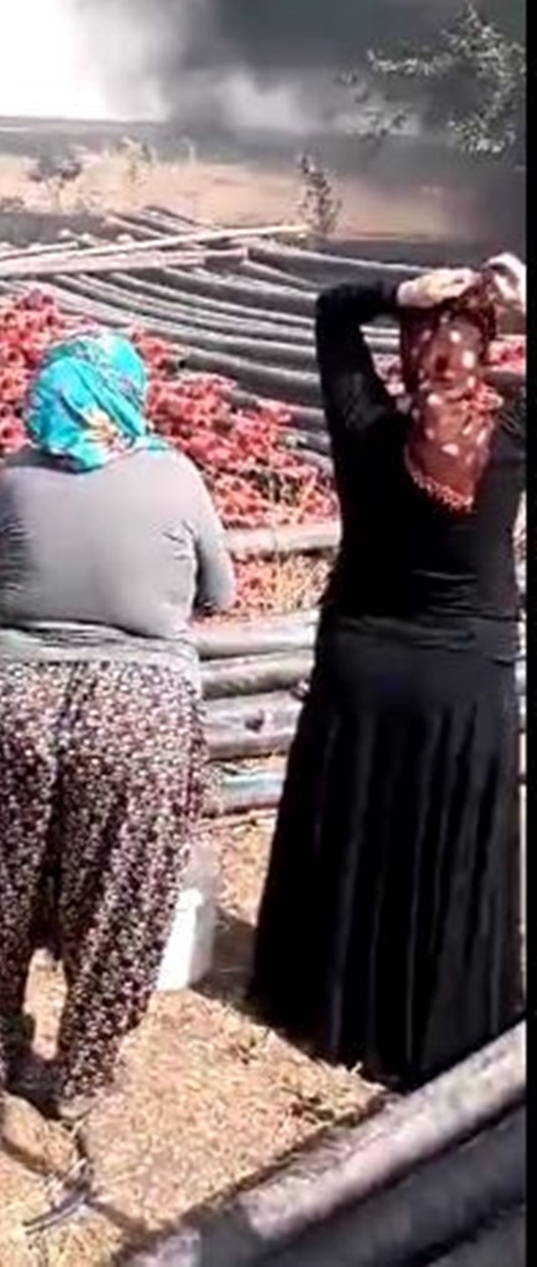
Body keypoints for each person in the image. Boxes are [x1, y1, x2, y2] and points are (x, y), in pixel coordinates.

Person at [249, 256, 526, 1092]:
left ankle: (328, 1007)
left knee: (356, 826)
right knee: (446, 845)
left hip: (362, 658)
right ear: (489, 353)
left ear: (406, 352)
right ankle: (431, 1022)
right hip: (465, 669)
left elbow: (331, 315)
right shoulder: (510, 438)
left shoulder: (363, 421)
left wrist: (393, 296)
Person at [0, 330, 235, 1123]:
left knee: (1, 877)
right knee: (119, 890)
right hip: (139, 705)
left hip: (16, 696)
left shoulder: (11, 478)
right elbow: (220, 591)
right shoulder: (174, 475)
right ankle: (81, 1075)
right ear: (128, 393)